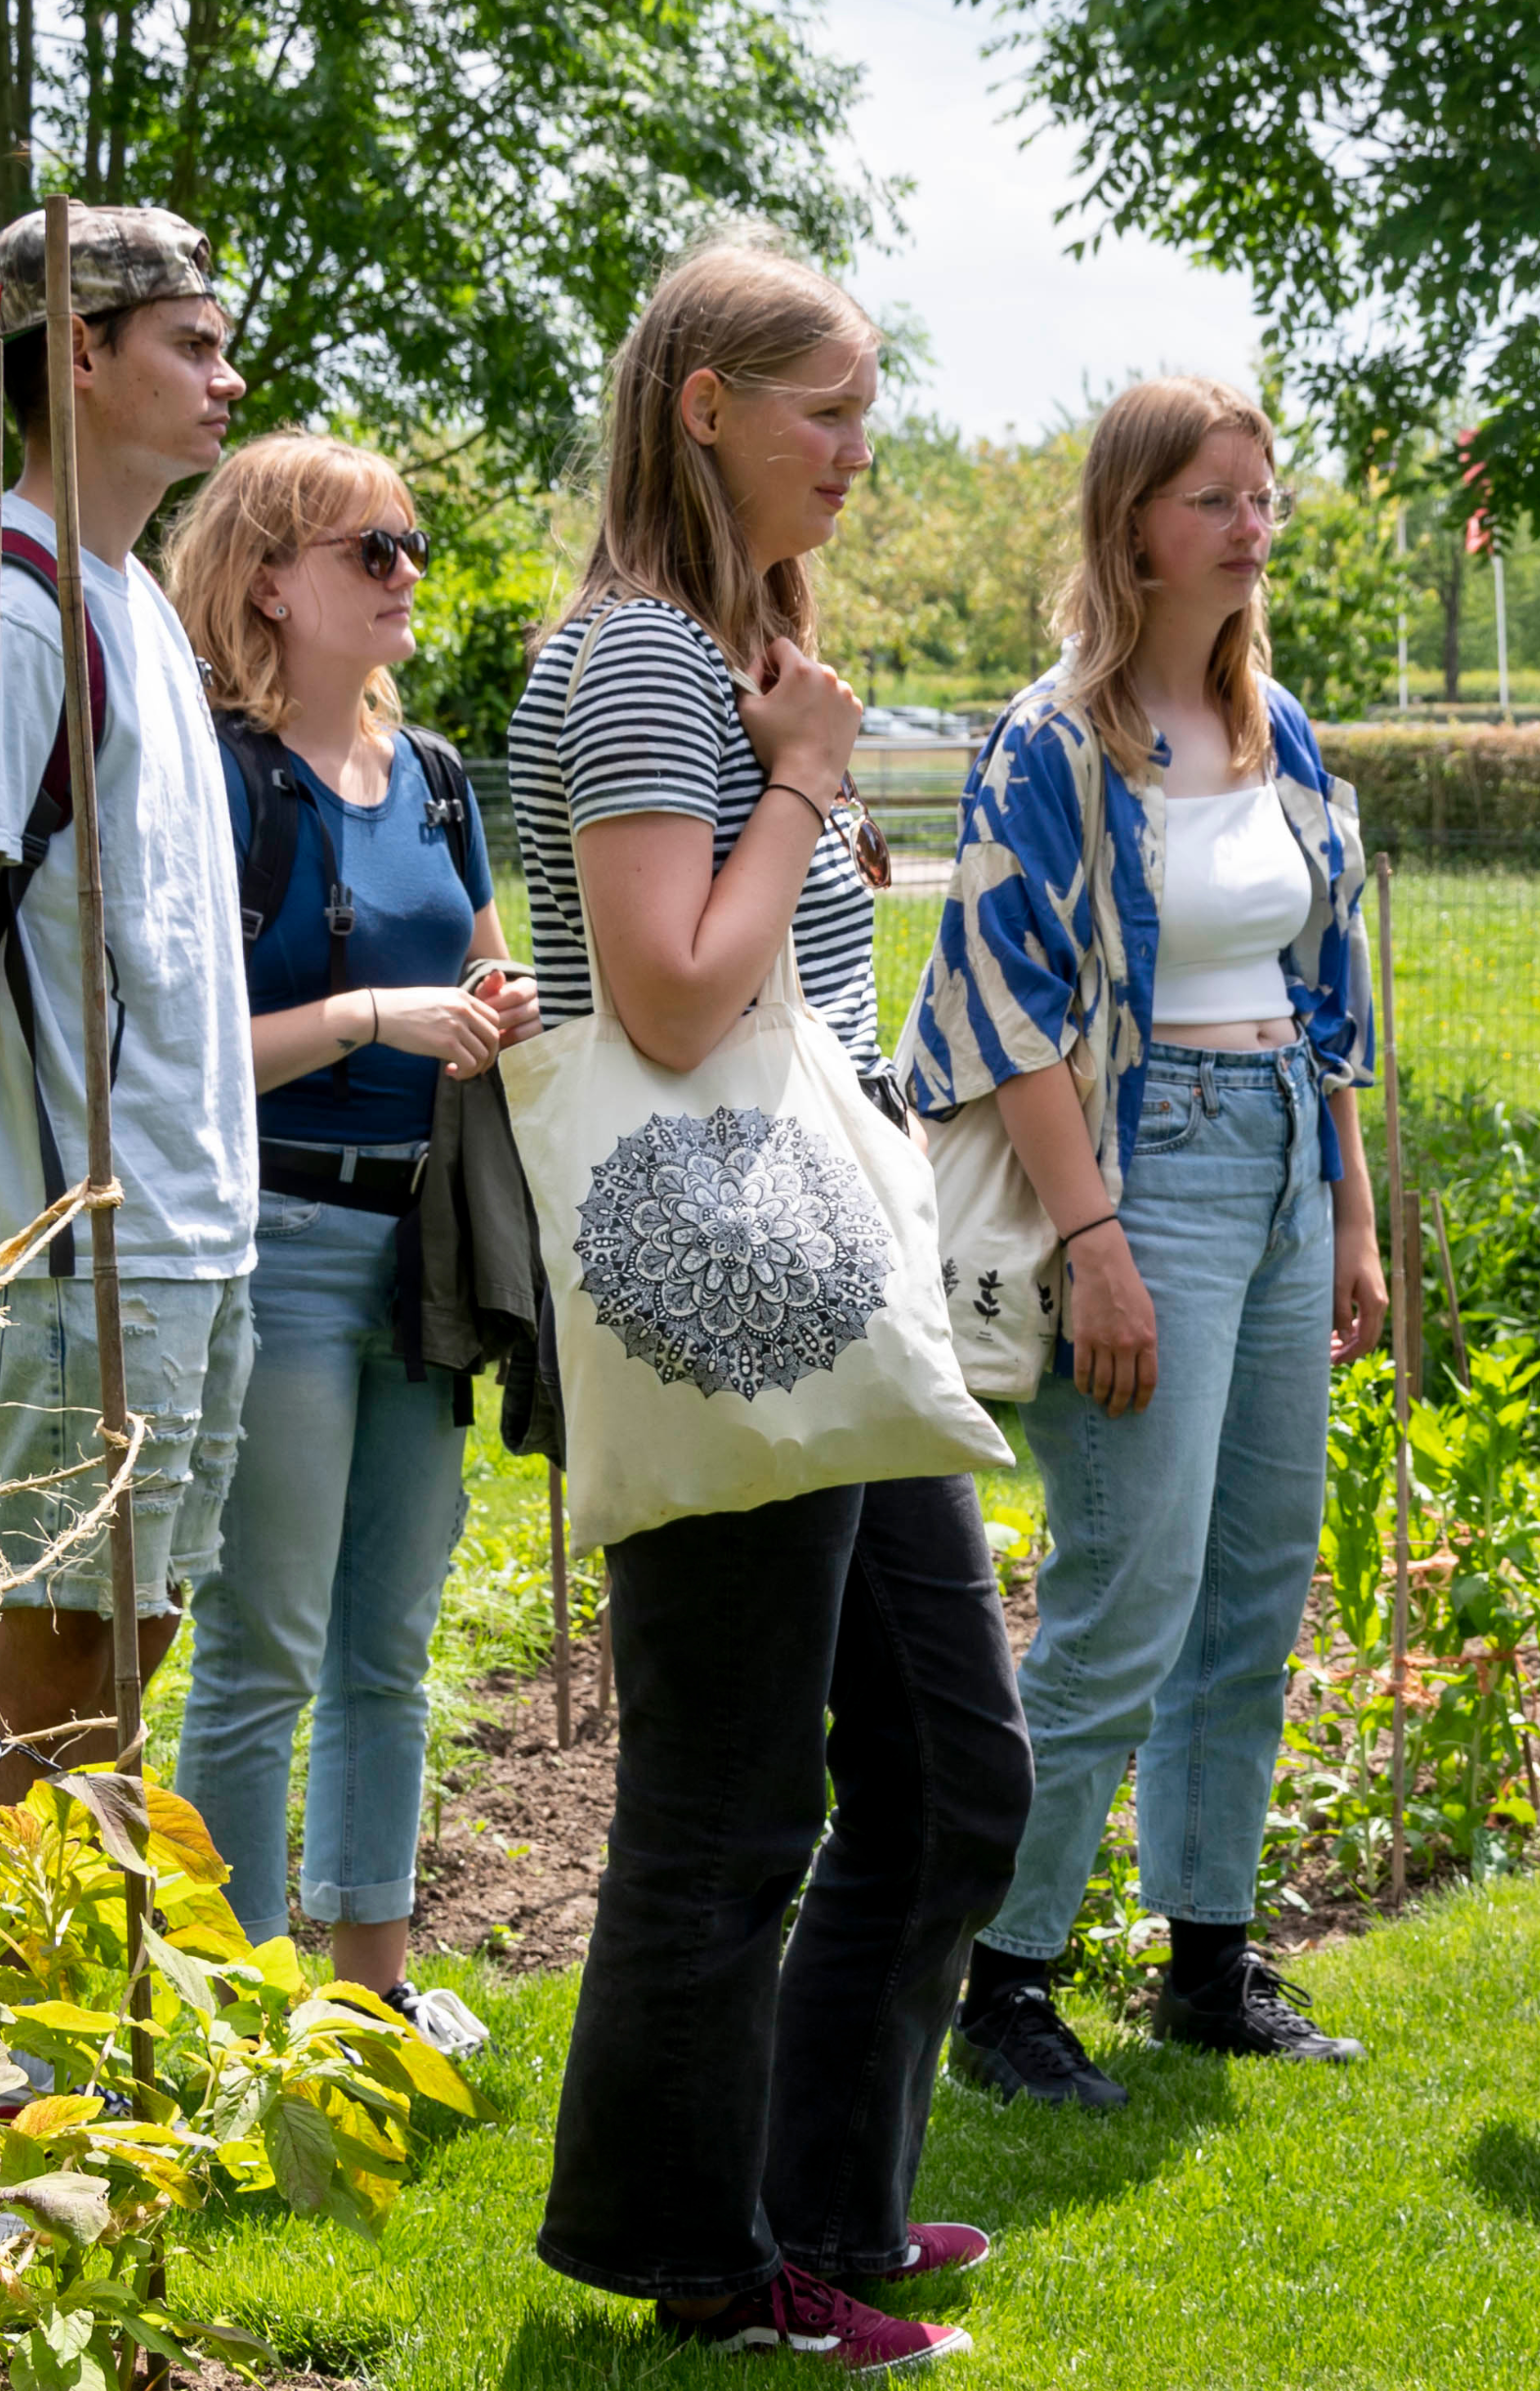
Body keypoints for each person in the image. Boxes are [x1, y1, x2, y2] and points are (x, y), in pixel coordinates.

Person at [511, 228, 1031, 2376]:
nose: (858, 452)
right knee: (730, 1805)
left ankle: (825, 2199)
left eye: (869, 411)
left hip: (816, 1267)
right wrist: (809, 779)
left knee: (946, 1767)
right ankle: (696, 2260)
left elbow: (733, 945)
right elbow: (654, 986)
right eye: (825, 411)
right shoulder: (643, 659)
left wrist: (808, 824)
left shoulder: (723, 657)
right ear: (703, 406)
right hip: (717, 1276)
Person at [899, 376, 1391, 2112]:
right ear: (1132, 524)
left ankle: (1206, 1956)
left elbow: (1324, 983)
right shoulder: (1050, 745)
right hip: (1141, 1165)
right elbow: (1009, 1016)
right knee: (1129, 1588)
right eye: (1213, 499)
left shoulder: (1285, 731)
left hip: (1271, 1159)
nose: (1252, 526)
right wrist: (1097, 1241)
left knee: (1258, 1575)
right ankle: (1005, 1984)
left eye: (1264, 498)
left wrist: (1345, 1203)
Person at [0, 206, 257, 1818]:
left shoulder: (131, 599)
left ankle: (49, 1998)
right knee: (50, 1657)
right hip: (82, 1236)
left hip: (184, 1221)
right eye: (192, 346)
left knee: (133, 1635)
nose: (227, 381)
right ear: (78, 354)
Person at [158, 431, 535, 2052]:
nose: (406, 576)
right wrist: (370, 1015)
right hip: (282, 1236)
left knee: (392, 1636)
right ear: (266, 579)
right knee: (265, 1644)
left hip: (421, 1250)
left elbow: (488, 968)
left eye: (410, 546)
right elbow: (171, 1057)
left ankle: (369, 1986)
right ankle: (237, 2007)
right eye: (368, 551)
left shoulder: (435, 776)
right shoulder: (220, 781)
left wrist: (494, 1011)